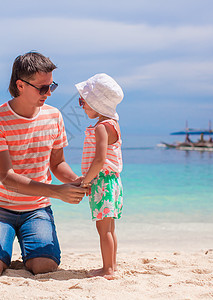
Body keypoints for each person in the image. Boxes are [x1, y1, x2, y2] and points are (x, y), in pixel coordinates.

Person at [0, 51, 87, 276]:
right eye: (42, 88)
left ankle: (26, 251)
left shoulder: (54, 116)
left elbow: (57, 164)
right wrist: (57, 192)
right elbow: (7, 177)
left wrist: (76, 181)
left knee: (44, 267)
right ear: (20, 85)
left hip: (36, 209)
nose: (48, 93)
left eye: (51, 86)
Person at [76, 73, 124, 279]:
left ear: (96, 103)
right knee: (110, 227)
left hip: (102, 182)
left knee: (103, 228)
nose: (82, 106)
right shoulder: (113, 124)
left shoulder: (101, 128)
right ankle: (111, 265)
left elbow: (99, 160)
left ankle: (108, 269)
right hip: (113, 182)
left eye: (83, 102)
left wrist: (85, 181)